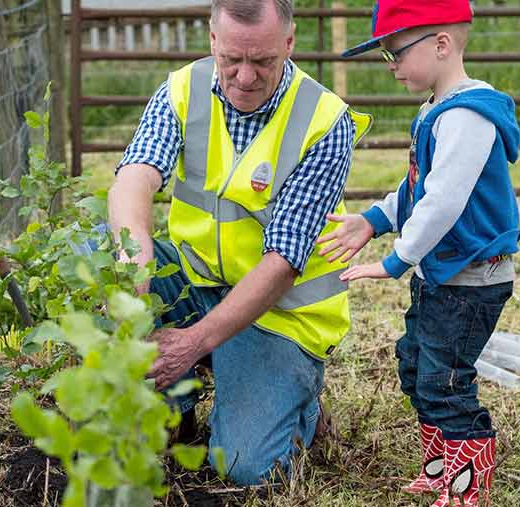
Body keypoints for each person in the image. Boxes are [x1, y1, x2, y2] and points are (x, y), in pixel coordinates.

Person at [106, 0, 371, 486]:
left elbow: (285, 260)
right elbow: (134, 178)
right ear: (213, 41)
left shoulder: (323, 121)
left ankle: (299, 405)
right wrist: (132, 263)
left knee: (243, 468)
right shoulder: (183, 89)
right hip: (196, 279)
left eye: (263, 62)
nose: (245, 77)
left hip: (278, 311)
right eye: (232, 59)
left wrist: (193, 342)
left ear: (288, 45)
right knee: (93, 254)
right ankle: (173, 403)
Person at [322, 1, 520, 505]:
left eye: (395, 53)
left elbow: (444, 202)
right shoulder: (435, 111)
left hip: (471, 277)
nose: (392, 67)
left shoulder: (468, 118)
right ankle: (440, 468)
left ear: (441, 44)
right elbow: (418, 188)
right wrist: (374, 219)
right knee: (416, 368)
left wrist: (397, 259)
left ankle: (467, 485)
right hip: (443, 274)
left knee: (446, 382)